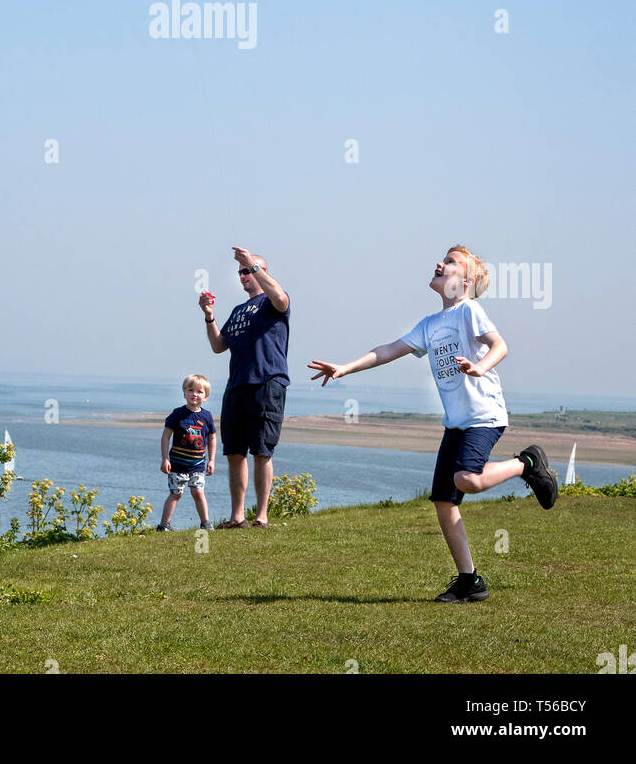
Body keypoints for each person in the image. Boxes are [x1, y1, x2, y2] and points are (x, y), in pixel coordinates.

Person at [309, 244, 558, 602]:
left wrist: (480, 366)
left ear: (467, 281)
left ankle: (527, 463)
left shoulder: (469, 310)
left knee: (467, 479)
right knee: (444, 500)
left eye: (451, 262)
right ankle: (470, 581)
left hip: (483, 416)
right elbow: (388, 350)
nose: (440, 264)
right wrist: (345, 367)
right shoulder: (430, 325)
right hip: (455, 422)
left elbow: (500, 345)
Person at [200, 246, 290, 528]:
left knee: (262, 451)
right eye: (241, 272)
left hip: (267, 382)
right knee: (234, 452)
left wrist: (253, 264)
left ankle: (261, 516)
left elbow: (281, 297)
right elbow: (218, 346)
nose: (244, 275)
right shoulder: (239, 310)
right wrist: (209, 315)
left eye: (249, 270)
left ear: (263, 272)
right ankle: (237, 516)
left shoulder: (272, 303)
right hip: (237, 385)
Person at [157, 374, 216, 531]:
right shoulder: (177, 414)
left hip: (197, 465)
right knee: (176, 494)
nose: (194, 394)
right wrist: (165, 459)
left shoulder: (207, 416)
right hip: (177, 465)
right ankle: (164, 525)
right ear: (184, 393)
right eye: (190, 390)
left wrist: (211, 460)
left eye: (199, 391)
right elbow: (165, 437)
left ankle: (205, 523)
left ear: (206, 396)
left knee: (198, 492)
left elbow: (212, 439)